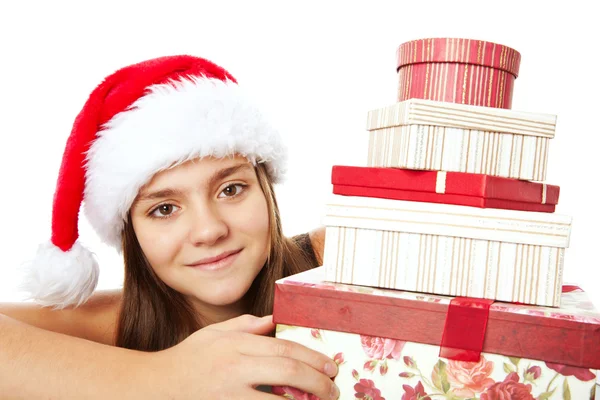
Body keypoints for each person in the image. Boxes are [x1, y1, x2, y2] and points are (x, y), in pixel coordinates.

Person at [0, 55, 337, 399]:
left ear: (264, 186)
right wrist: (160, 377)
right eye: (164, 209)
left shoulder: (334, 258)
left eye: (230, 189)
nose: (208, 231)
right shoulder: (108, 325)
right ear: (131, 230)